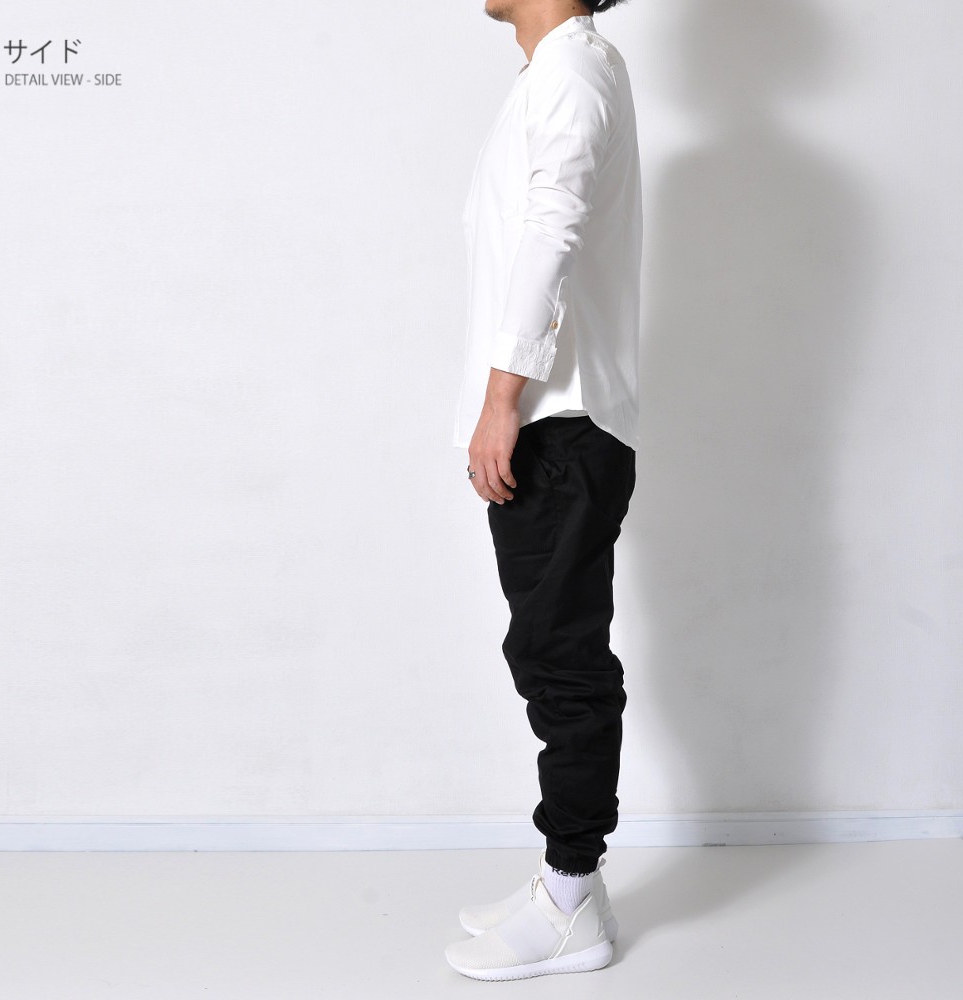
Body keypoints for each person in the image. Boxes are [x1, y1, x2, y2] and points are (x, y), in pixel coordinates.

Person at [445, 0, 642, 982]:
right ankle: (569, 884)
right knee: (551, 652)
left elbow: (551, 234)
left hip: (555, 423)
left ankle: (570, 898)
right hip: (556, 419)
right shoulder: (561, 72)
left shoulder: (571, 71)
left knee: (559, 661)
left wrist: (501, 400)